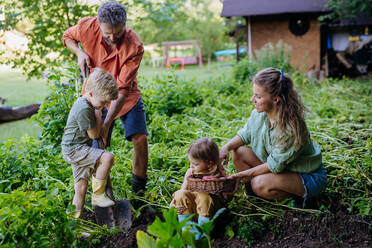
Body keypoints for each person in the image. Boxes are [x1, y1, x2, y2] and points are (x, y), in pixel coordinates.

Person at [62, 1, 149, 205]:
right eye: (107, 33)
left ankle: (138, 195)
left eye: (117, 33)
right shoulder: (86, 27)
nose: (112, 38)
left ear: (124, 26)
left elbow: (122, 90)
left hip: (124, 97)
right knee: (95, 144)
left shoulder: (134, 46)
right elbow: (67, 37)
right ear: (99, 24)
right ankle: (101, 198)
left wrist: (107, 123)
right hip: (95, 96)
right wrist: (79, 52)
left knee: (140, 139)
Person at [220, 68, 327, 208]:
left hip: (306, 175)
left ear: (276, 99)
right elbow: (244, 134)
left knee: (259, 183)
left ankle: (300, 200)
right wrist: (225, 148)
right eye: (253, 95)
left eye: (258, 96)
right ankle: (258, 195)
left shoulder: (290, 129)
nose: (252, 100)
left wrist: (241, 176)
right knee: (239, 152)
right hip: (282, 168)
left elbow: (274, 165)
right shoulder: (259, 114)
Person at [61, 68, 119, 218]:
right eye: (103, 102)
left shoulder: (89, 103)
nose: (104, 106)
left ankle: (73, 223)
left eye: (107, 103)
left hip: (76, 148)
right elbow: (94, 135)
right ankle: (98, 195)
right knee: (107, 157)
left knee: (80, 187)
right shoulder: (84, 109)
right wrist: (98, 115)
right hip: (74, 150)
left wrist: (97, 109)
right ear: (91, 94)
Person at [171, 138, 227, 239]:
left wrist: (219, 177)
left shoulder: (217, 172)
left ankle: (202, 235)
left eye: (195, 164)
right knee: (180, 194)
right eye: (190, 162)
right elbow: (183, 189)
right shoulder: (191, 172)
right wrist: (174, 203)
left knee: (203, 196)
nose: (191, 166)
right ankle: (188, 232)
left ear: (209, 163)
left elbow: (225, 191)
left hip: (209, 211)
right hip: (193, 211)